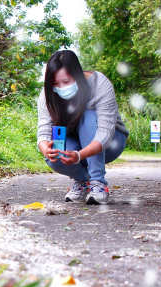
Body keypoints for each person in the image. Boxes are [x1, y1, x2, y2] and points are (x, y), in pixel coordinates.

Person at [37, 50, 130, 205]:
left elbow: (105, 134)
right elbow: (43, 131)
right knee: (54, 149)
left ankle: (98, 183)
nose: (61, 88)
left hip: (110, 142)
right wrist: (46, 149)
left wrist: (80, 155)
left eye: (66, 82)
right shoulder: (47, 94)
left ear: (78, 76)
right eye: (55, 84)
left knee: (88, 116)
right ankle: (82, 181)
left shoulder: (99, 83)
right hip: (73, 142)